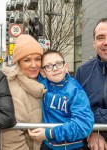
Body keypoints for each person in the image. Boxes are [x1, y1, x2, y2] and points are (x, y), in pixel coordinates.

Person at [28, 50, 94, 150]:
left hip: (72, 146)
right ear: (43, 72)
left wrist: (49, 133)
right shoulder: (43, 83)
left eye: (59, 64)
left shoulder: (75, 91)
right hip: (47, 145)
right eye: (48, 66)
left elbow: (83, 124)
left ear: (66, 67)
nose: (55, 69)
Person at [0, 34, 45, 150]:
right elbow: (12, 141)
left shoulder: (43, 81)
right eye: (27, 60)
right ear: (18, 63)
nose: (34, 65)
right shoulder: (13, 90)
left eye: (38, 59)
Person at [75, 18, 107, 150]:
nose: (106, 42)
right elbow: (74, 109)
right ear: (94, 43)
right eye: (100, 37)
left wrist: (95, 122)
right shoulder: (83, 71)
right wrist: (91, 131)